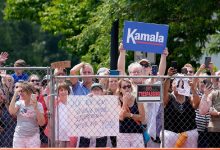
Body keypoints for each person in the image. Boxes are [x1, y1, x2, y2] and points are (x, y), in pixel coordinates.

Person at [163, 67, 200, 148]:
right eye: (177, 83)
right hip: (171, 133)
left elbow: (196, 105)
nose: (179, 85)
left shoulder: (189, 98)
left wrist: (193, 89)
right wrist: (168, 77)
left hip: (189, 133)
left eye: (182, 83)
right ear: (172, 85)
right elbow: (164, 92)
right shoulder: (169, 97)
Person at [9, 82, 45, 148]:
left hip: (33, 137)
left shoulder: (38, 105)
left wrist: (35, 107)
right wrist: (15, 94)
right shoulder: (19, 103)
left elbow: (42, 123)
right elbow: (11, 111)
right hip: (19, 136)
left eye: (23, 91)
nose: (21, 93)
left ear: (30, 92)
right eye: (20, 91)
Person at [69, 62, 94, 147]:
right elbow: (72, 71)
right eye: (84, 72)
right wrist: (83, 63)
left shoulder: (97, 87)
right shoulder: (77, 85)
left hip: (96, 125)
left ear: (93, 74)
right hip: (81, 125)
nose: (87, 74)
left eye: (89, 72)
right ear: (80, 74)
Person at [117, 78, 145, 148]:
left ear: (131, 88)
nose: (127, 88)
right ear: (120, 89)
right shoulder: (117, 100)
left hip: (137, 133)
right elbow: (121, 117)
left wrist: (129, 115)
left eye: (129, 86)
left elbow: (142, 118)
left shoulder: (137, 100)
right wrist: (125, 102)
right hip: (122, 133)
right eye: (124, 87)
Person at [199, 71, 220, 147]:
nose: (218, 81)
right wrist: (205, 94)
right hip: (214, 131)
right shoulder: (213, 93)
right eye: (217, 79)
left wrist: (217, 113)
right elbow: (202, 111)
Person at [55, 81, 71, 147]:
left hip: (70, 131)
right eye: (61, 90)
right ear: (58, 93)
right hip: (59, 131)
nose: (63, 92)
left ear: (68, 92)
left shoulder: (73, 103)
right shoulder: (55, 103)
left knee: (69, 146)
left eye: (65, 90)